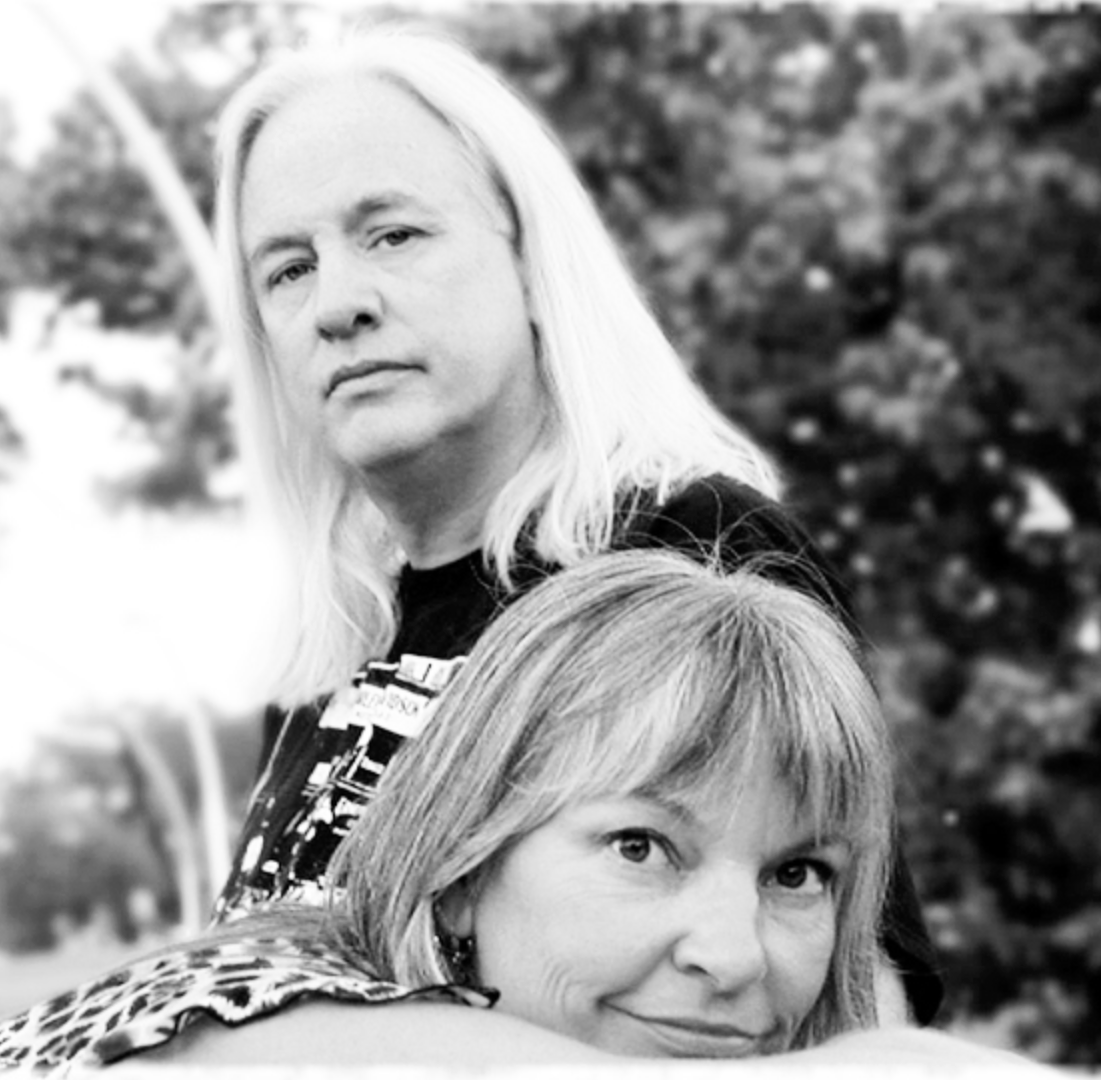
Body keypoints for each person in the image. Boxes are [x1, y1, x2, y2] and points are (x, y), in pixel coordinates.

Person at [206, 20, 943, 1024]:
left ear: (527, 256)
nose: (337, 303)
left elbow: (857, 1001)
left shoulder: (692, 551)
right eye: (286, 268)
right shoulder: (325, 656)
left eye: (394, 233)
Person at [0, 554, 1047, 1070]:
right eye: (641, 846)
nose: (732, 957)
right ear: (462, 865)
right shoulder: (250, 1011)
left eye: (796, 874)